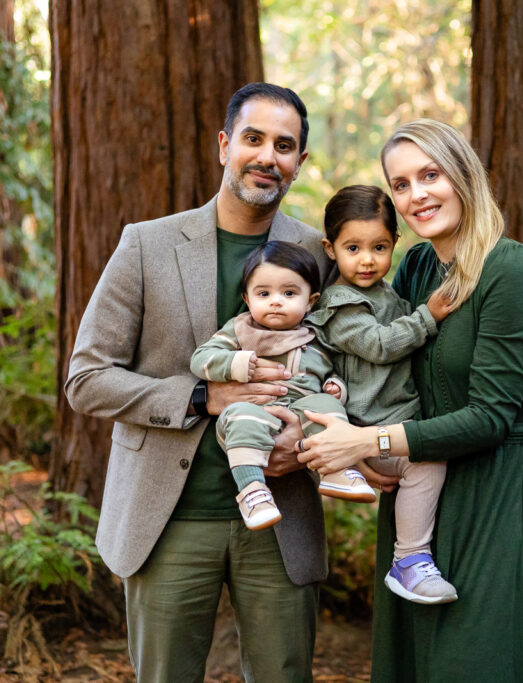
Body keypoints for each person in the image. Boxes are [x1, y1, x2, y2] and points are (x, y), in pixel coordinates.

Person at [65, 83, 336, 683]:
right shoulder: (147, 244)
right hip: (168, 520)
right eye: (254, 138)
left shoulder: (318, 253)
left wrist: (312, 441)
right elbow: (86, 379)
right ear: (224, 145)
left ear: (300, 162)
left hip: (281, 518)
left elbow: (349, 372)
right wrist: (199, 396)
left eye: (284, 146)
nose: (268, 156)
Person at [296, 119, 523, 681]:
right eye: (400, 185)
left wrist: (365, 441)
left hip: (494, 497)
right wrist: (366, 447)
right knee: (417, 664)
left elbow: (490, 418)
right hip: (418, 497)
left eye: (430, 175)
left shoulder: (513, 271)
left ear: (463, 174)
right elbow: (379, 362)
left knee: (477, 659)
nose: (416, 194)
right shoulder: (419, 267)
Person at [306, 185, 458, 604]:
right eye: (353, 247)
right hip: (367, 428)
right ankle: (409, 559)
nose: (368, 259)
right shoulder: (341, 303)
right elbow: (379, 344)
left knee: (428, 460)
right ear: (330, 248)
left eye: (379, 246)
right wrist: (429, 315)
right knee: (426, 462)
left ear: (395, 244)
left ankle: (413, 555)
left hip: (394, 419)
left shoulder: (384, 292)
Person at [189, 240, 377, 532]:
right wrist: (237, 364)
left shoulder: (316, 337)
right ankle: (253, 493)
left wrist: (335, 388)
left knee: (326, 407)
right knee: (242, 416)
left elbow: (332, 371)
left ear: (311, 301)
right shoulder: (240, 330)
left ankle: (336, 470)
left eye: (289, 293)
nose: (276, 301)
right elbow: (201, 359)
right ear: (248, 299)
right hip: (254, 411)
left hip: (300, 411)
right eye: (263, 293)